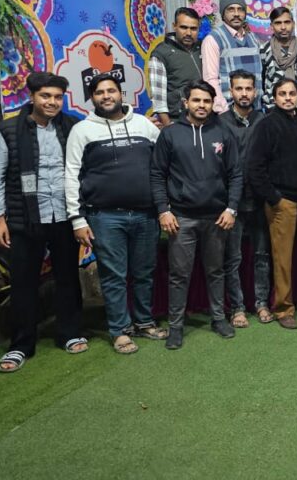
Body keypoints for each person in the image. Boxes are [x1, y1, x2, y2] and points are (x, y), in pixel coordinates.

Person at [0, 72, 87, 373]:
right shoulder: (8, 130)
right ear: (32, 97)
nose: (52, 102)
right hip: (25, 218)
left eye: (58, 97)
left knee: (68, 278)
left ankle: (70, 333)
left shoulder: (72, 126)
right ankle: (21, 344)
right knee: (23, 282)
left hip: (64, 215)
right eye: (45, 96)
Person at [64, 72, 165, 354]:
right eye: (99, 92)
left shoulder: (144, 125)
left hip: (146, 214)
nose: (106, 96)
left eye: (111, 90)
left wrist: (164, 207)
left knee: (144, 272)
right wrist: (77, 219)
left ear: (121, 94)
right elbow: (71, 175)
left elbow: (164, 164)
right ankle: (120, 331)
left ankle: (144, 322)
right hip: (105, 217)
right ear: (92, 98)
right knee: (113, 276)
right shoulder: (82, 131)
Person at [150, 79, 243, 349]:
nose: (202, 105)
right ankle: (176, 326)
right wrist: (163, 210)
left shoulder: (223, 132)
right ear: (186, 103)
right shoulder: (170, 134)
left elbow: (236, 174)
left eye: (207, 101)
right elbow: (157, 174)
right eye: (197, 100)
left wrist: (231, 208)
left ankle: (218, 318)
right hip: (181, 218)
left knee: (215, 271)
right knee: (179, 275)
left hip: (217, 217)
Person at [248, 79, 297, 330]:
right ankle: (283, 307)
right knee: (282, 258)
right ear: (274, 98)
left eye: (292, 93)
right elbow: (255, 167)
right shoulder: (266, 125)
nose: (287, 97)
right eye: (282, 93)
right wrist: (274, 198)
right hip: (282, 202)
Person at [220, 70, 271, 328]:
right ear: (230, 91)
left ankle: (261, 303)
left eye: (248, 89)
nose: (244, 93)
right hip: (232, 203)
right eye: (239, 88)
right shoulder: (220, 123)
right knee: (233, 258)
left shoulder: (264, 120)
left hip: (260, 200)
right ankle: (237, 308)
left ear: (255, 91)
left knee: (262, 255)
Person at [203, 0, 263, 114]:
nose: (236, 14)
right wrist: (222, 110)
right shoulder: (213, 39)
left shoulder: (253, 38)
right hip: (229, 111)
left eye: (240, 9)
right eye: (231, 9)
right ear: (223, 14)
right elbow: (211, 79)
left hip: (255, 109)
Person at [150, 7, 203, 127]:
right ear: (174, 26)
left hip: (205, 117)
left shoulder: (203, 47)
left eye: (193, 28)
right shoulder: (161, 53)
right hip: (178, 119)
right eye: (183, 27)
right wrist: (169, 127)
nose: (188, 33)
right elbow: (158, 99)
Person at [259, 7, 297, 109]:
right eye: (278, 23)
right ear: (272, 26)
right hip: (272, 107)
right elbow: (261, 79)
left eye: (287, 22)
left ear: (293, 24)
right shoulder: (264, 49)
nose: (283, 27)